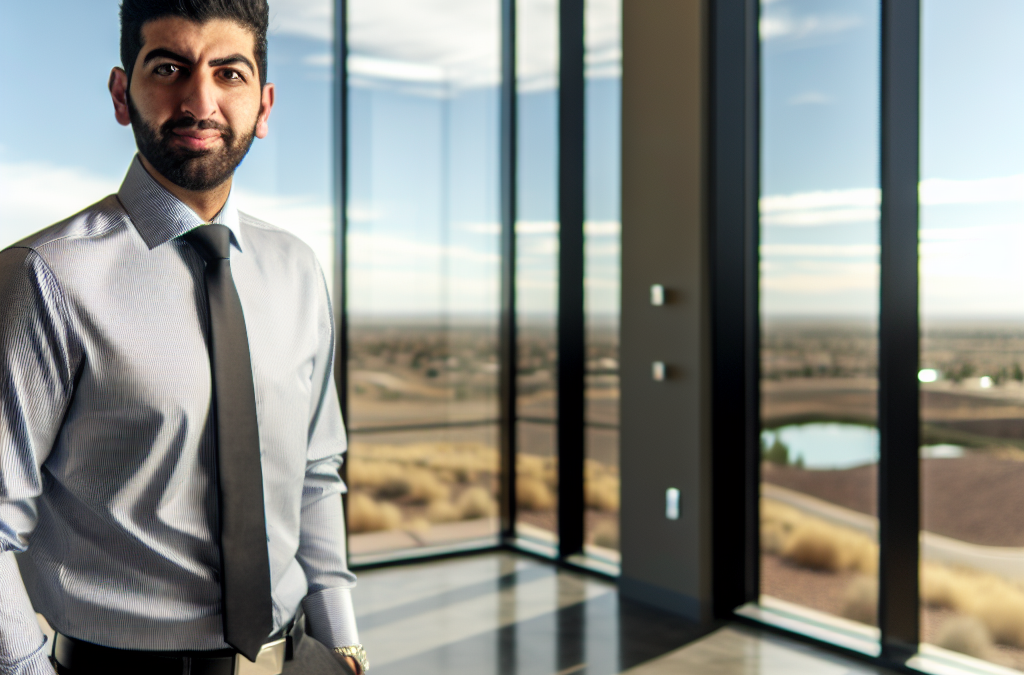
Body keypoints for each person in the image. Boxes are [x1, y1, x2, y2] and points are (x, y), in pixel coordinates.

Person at [0, 1, 366, 674]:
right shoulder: (44, 277)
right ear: (121, 93)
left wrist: (342, 641)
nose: (201, 99)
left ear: (264, 104)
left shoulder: (297, 269)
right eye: (169, 67)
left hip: (297, 658)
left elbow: (315, 471)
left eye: (230, 72)